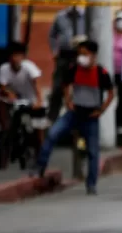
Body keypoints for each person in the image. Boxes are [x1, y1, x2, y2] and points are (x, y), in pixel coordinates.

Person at [34, 39, 115, 195]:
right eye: (80, 54)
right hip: (74, 112)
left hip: (91, 116)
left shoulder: (101, 73)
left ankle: (91, 184)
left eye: (85, 54)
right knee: (52, 134)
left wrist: (101, 110)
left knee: (93, 152)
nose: (81, 57)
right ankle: (40, 167)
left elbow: (111, 93)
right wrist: (68, 100)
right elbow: (65, 84)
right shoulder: (74, 69)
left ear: (93, 55)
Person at [0, 42, 46, 162]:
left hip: (32, 99)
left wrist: (39, 100)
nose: (16, 58)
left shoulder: (29, 67)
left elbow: (37, 83)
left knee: (38, 128)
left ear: (23, 57)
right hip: (15, 100)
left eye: (18, 55)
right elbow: (2, 86)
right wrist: (9, 93)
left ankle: (41, 156)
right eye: (13, 55)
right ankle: (5, 130)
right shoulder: (4, 68)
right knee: (0, 102)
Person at [47, 0, 86, 120]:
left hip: (80, 55)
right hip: (63, 55)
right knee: (58, 86)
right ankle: (52, 118)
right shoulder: (60, 16)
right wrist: (55, 50)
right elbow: (52, 35)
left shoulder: (85, 16)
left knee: (80, 87)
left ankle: (79, 117)